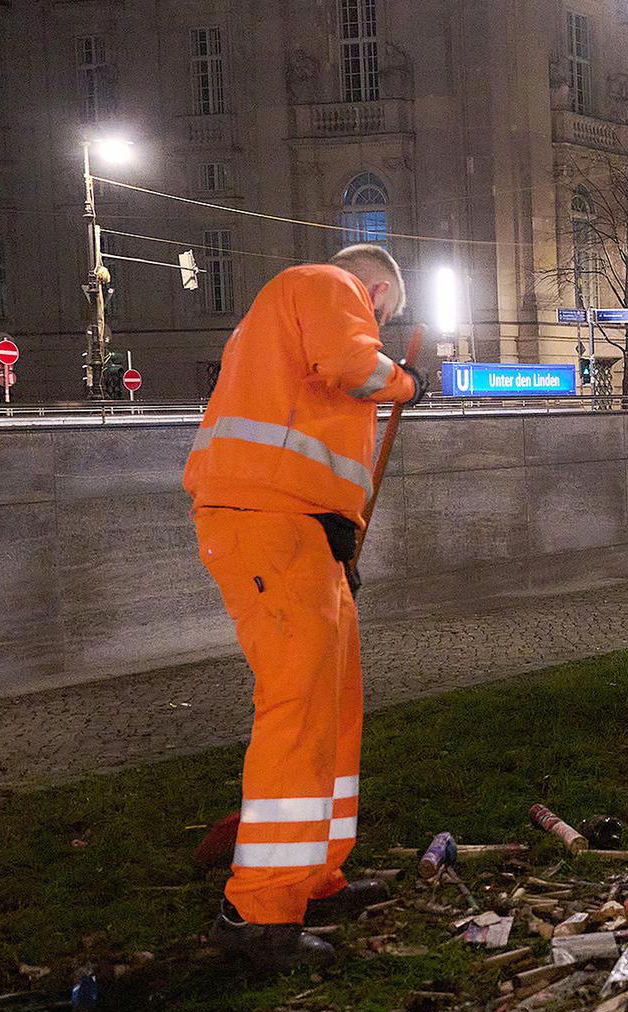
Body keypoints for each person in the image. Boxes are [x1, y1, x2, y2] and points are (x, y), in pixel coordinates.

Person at [184, 244, 422, 970]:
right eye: (384, 315)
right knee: (296, 704)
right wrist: (406, 381)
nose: (377, 323)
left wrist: (335, 530)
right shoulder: (325, 283)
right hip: (270, 521)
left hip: (302, 527)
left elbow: (317, 411)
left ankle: (316, 873)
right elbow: (354, 367)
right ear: (377, 289)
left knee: (330, 701)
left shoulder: (288, 313)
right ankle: (258, 912)